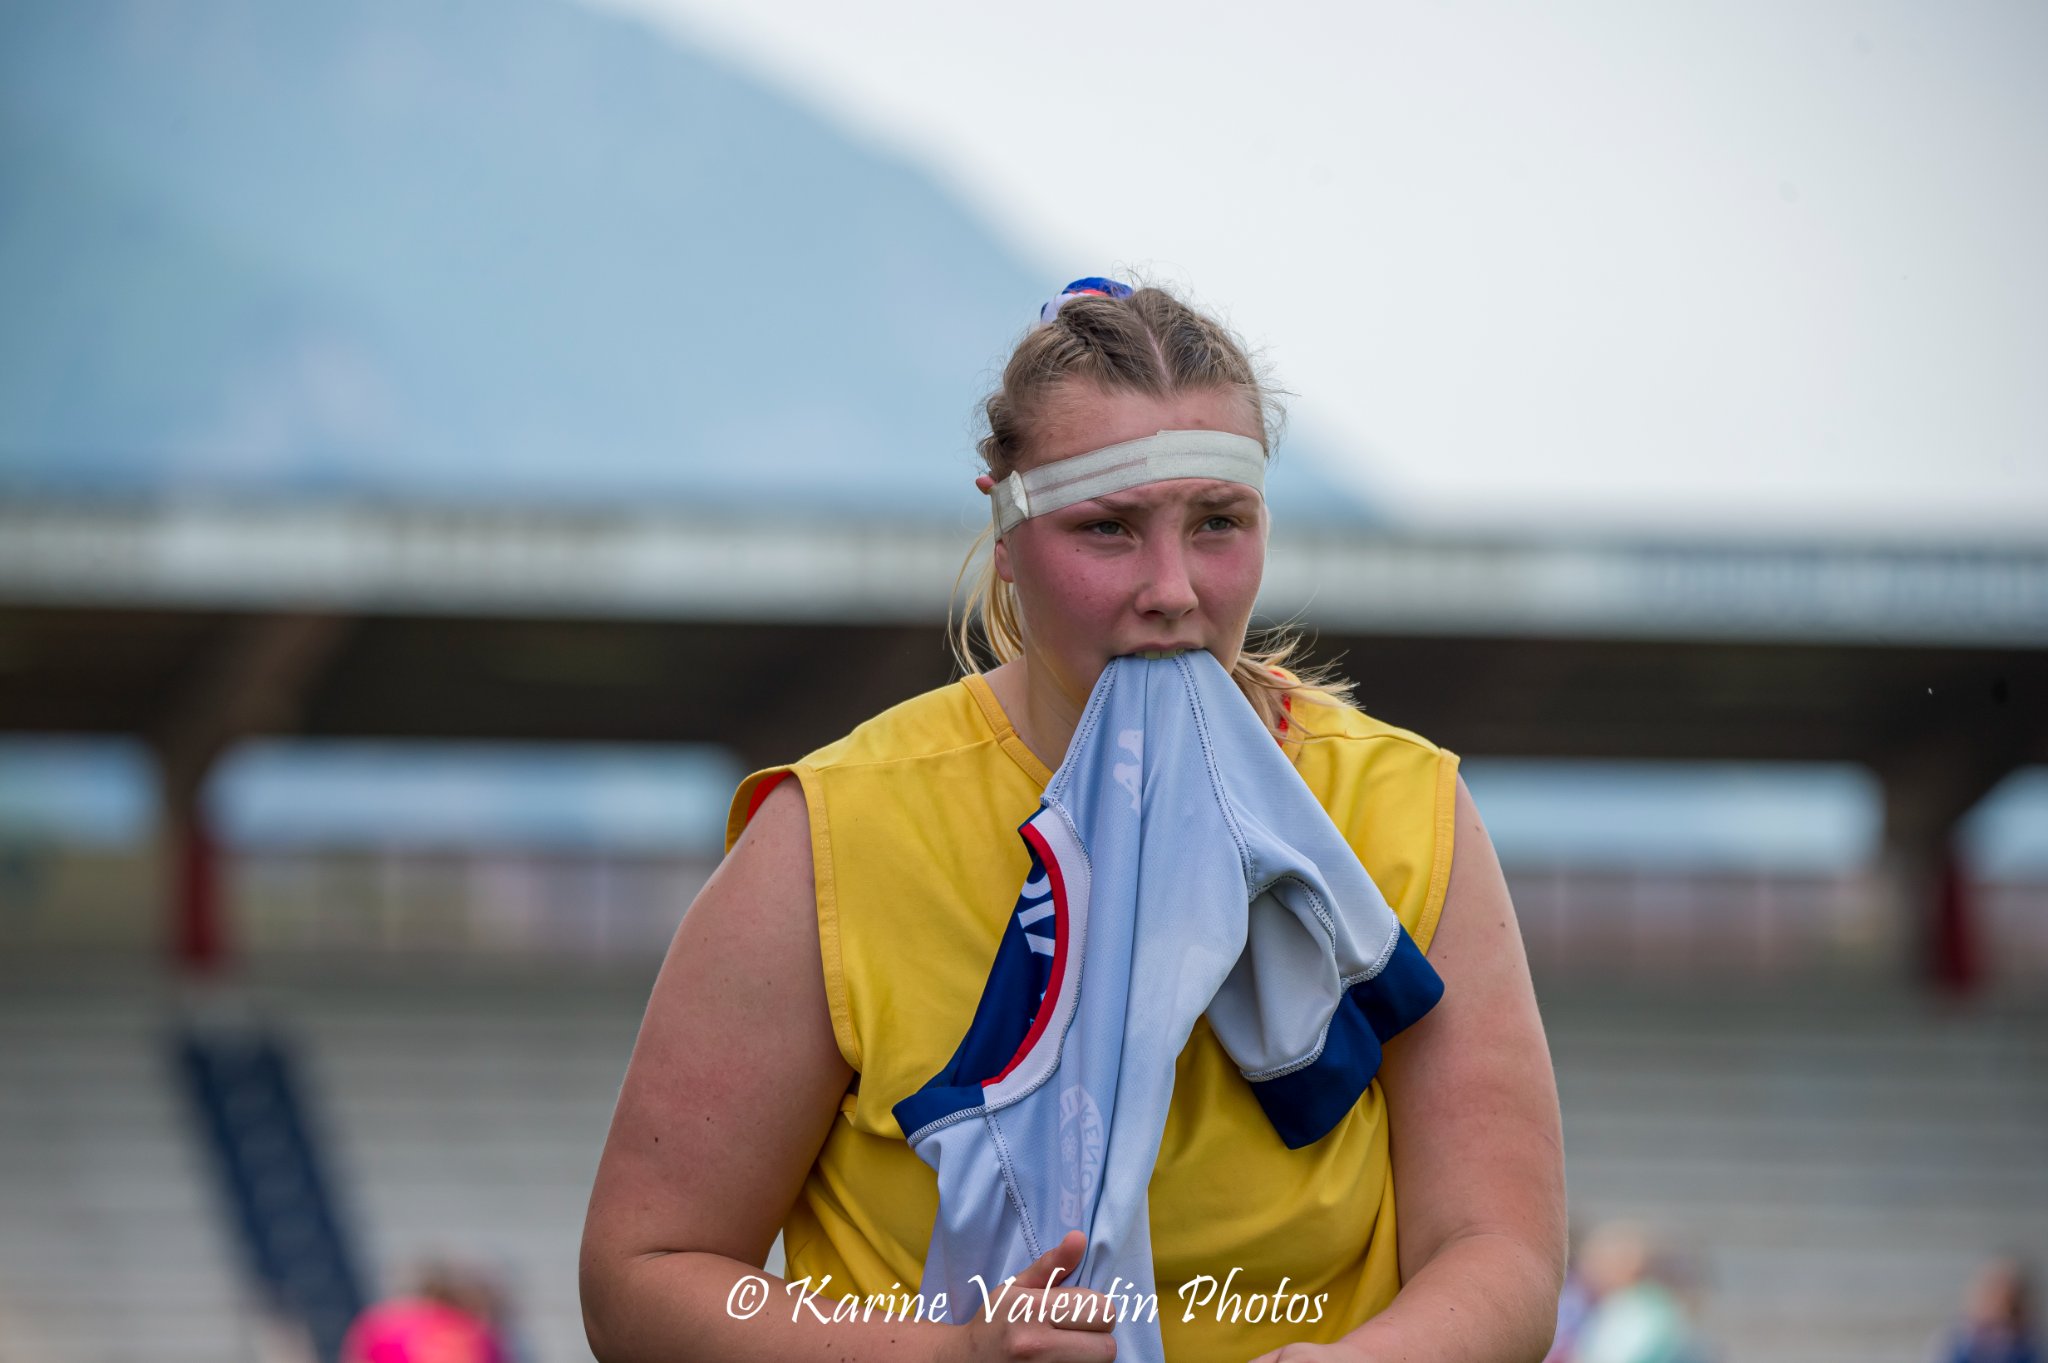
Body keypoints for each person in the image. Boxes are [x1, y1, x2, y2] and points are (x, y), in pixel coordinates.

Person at [579, 280, 1566, 1363]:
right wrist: (950, 1356)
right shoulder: (830, 831)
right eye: (1107, 529)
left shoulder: (1403, 807)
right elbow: (643, 1276)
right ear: (1005, 533)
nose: (1173, 589)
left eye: (1218, 523)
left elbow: (1500, 1250)